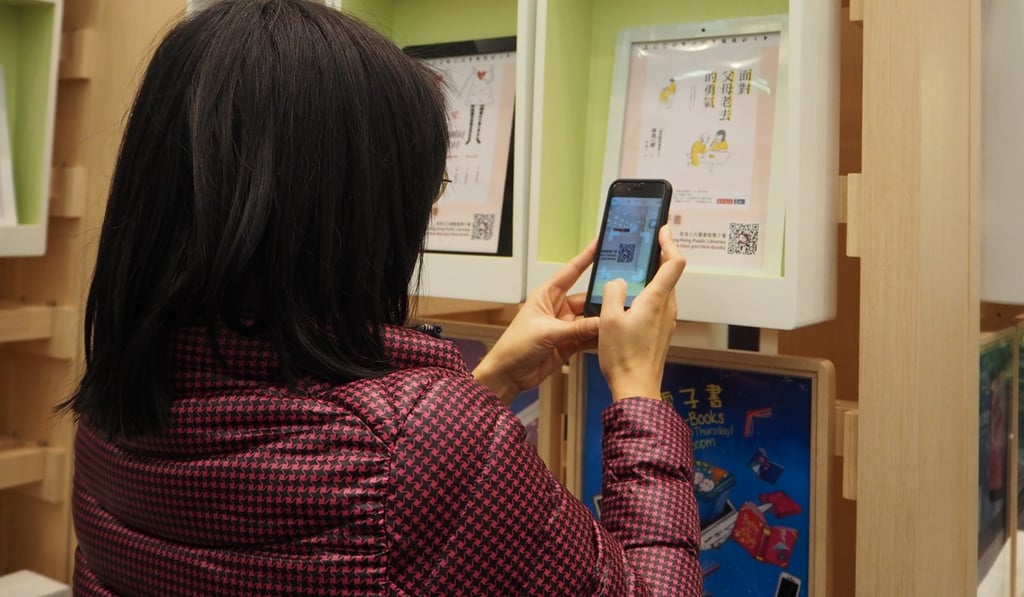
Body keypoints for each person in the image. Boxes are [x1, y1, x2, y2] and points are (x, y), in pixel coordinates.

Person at [61, 1, 701, 595]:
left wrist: (488, 385)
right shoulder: (419, 447)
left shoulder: (111, 403)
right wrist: (637, 391)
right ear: (354, 211)